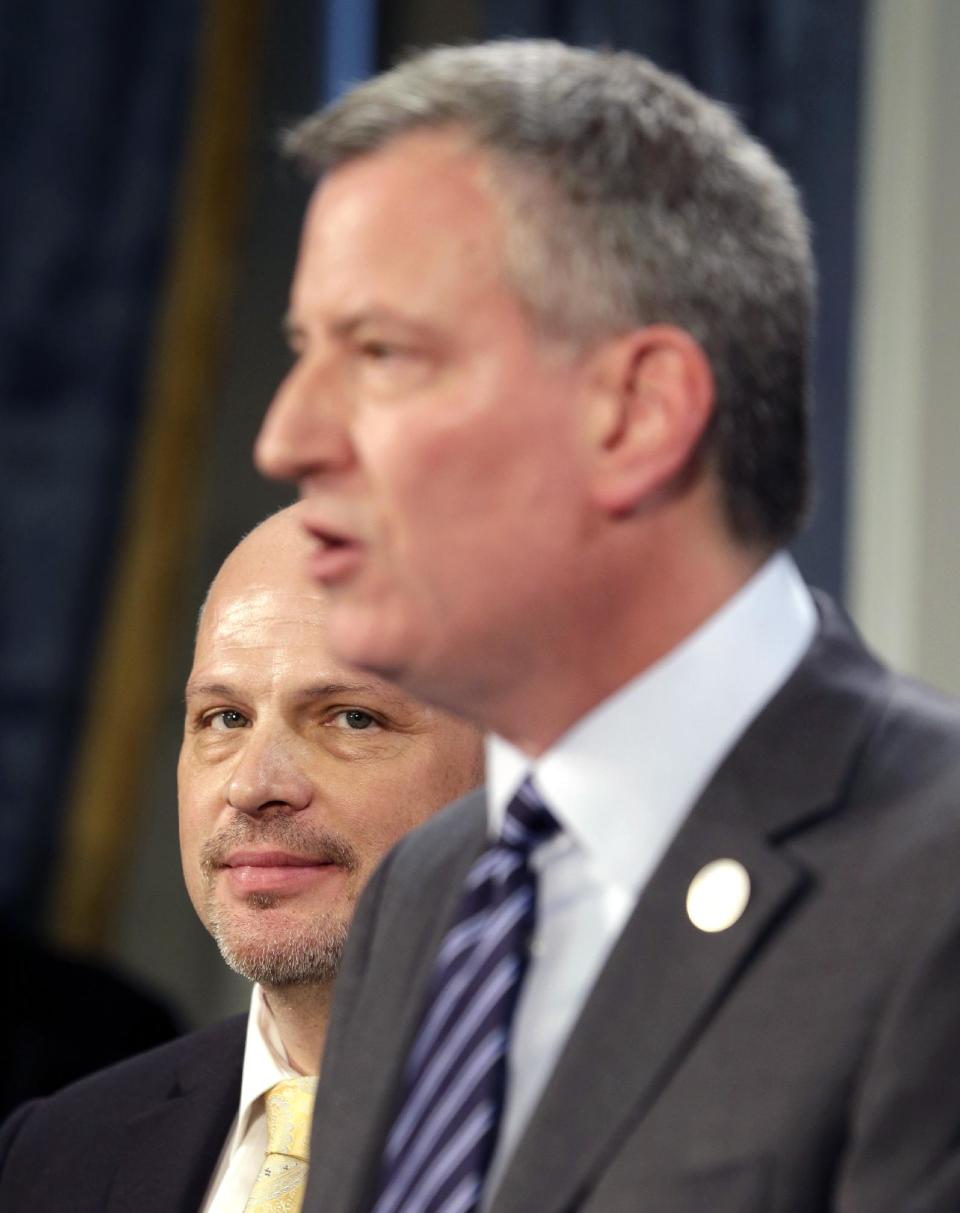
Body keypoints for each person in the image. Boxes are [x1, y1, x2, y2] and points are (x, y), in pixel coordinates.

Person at [255, 40, 960, 1213]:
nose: (287, 438)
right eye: (300, 353)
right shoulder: (426, 890)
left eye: (379, 353)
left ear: (637, 413)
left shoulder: (932, 887)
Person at [0, 503, 483, 1211]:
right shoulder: (50, 1154)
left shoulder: (656, 1136)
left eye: (352, 717)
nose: (254, 785)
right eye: (224, 717)